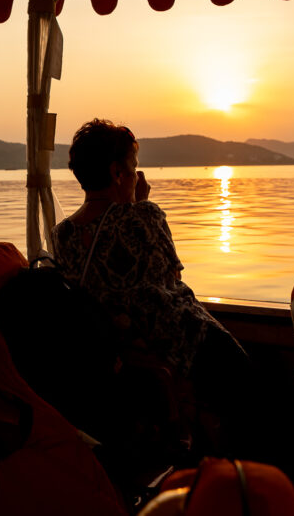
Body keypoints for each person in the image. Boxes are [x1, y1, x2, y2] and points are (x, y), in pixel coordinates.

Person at [52, 118, 263, 462]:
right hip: (183, 343)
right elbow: (172, 281)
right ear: (118, 172)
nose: (137, 175)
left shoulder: (61, 235)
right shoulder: (143, 216)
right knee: (256, 391)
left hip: (121, 355)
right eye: (134, 167)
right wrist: (138, 206)